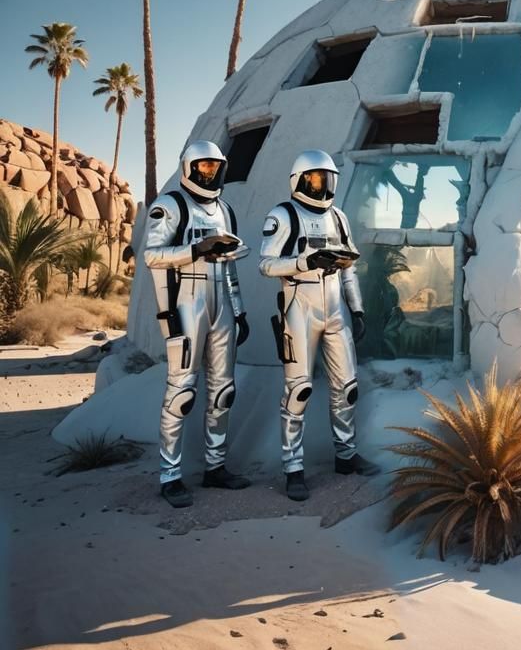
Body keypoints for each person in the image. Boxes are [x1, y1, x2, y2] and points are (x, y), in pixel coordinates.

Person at [259, 149, 380, 502]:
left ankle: (346, 455)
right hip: (299, 306)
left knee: (347, 387)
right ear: (299, 180)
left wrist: (356, 309)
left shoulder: (338, 218)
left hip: (335, 308)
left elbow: (349, 268)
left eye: (326, 179)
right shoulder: (284, 215)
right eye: (314, 178)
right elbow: (265, 265)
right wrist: (302, 261)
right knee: (298, 390)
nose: (321, 185)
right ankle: (293, 467)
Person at [143, 140, 252, 508]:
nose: (209, 173)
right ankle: (170, 474)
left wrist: (239, 311)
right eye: (203, 167)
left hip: (221, 297)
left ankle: (215, 467)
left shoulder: (225, 210)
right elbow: (151, 256)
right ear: (189, 168)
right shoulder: (171, 205)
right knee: (182, 392)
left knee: (223, 391)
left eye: (214, 167)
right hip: (187, 301)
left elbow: (231, 265)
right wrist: (195, 250)